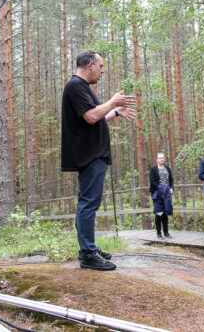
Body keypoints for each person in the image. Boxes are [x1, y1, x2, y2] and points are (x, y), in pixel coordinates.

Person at [61, 49, 136, 271]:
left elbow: (97, 118)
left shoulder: (82, 88)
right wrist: (112, 102)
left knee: (90, 202)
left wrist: (116, 113)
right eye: (101, 66)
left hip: (95, 155)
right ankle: (87, 253)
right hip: (89, 155)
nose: (103, 71)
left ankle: (89, 248)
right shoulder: (75, 86)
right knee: (88, 203)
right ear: (91, 65)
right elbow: (92, 116)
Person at [149, 152, 174, 240]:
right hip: (157, 193)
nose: (161, 159)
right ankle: (159, 233)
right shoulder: (153, 169)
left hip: (166, 193)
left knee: (165, 212)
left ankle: (166, 232)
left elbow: (171, 180)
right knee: (159, 212)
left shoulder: (167, 168)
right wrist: (161, 188)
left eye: (162, 158)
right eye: (159, 158)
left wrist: (171, 188)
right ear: (157, 159)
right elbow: (152, 181)